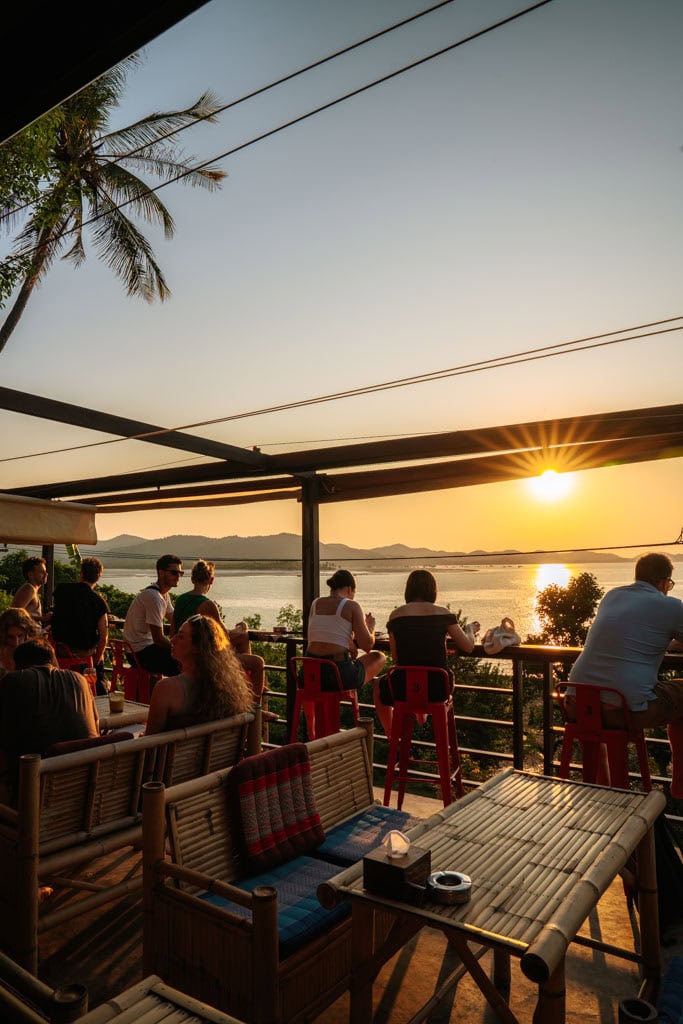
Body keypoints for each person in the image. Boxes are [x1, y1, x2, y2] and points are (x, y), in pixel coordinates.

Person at [567, 552, 683, 796]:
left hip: (576, 702)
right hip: (624, 710)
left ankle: (603, 792)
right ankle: (680, 783)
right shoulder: (671, 606)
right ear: (664, 582)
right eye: (669, 585)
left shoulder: (612, 596)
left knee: (598, 721)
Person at [377, 569, 479, 735]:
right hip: (438, 687)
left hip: (403, 687)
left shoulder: (395, 616)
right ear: (433, 590)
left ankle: (393, 736)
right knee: (424, 680)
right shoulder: (443, 613)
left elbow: (396, 657)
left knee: (379, 686)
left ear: (408, 589)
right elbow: (468, 646)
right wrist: (470, 630)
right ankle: (420, 713)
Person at [0, 638, 99, 802]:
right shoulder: (80, 680)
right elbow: (96, 730)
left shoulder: (13, 680)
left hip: (34, 796)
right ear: (53, 660)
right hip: (85, 789)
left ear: (17, 665)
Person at [172, 558, 266, 702]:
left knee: (242, 638)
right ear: (211, 580)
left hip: (182, 654)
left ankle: (242, 687)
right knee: (257, 663)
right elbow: (223, 638)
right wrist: (242, 627)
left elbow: (173, 631)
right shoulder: (207, 604)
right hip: (204, 657)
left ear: (192, 579)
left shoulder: (180, 600)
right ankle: (254, 707)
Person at [144, 614, 254, 734]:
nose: (172, 640)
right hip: (216, 752)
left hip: (177, 752)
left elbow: (149, 742)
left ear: (197, 647)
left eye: (180, 637)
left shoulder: (166, 689)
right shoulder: (229, 689)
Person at [304, 567, 385, 702]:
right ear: (349, 589)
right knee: (379, 656)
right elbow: (367, 646)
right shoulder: (351, 605)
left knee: (349, 662)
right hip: (336, 676)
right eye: (354, 592)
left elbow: (327, 635)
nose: (353, 596)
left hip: (309, 673)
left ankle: (310, 722)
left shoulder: (315, 603)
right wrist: (370, 628)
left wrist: (349, 641)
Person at [50, 556, 109, 690]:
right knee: (100, 666)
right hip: (82, 652)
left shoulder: (61, 590)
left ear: (81, 573)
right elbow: (103, 636)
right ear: (98, 577)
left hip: (59, 649)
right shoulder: (97, 601)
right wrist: (95, 662)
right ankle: (97, 694)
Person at [122, 553, 183, 675]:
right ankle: (174, 693)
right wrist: (179, 648)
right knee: (182, 664)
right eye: (174, 573)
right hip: (138, 653)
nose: (178, 577)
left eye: (180, 573)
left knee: (184, 661)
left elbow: (176, 619)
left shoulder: (163, 595)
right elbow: (158, 639)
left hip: (144, 649)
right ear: (161, 573)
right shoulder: (153, 597)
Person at [11, 556, 52, 626]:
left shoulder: (32, 589)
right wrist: (41, 618)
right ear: (30, 575)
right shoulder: (29, 589)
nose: (46, 574)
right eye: (41, 572)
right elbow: (15, 615)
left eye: (45, 571)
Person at [0, 608, 40, 677]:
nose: (16, 642)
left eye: (20, 636)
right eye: (10, 637)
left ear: (27, 633)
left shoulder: (39, 651)